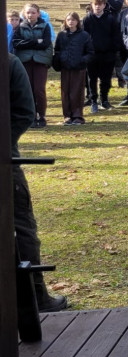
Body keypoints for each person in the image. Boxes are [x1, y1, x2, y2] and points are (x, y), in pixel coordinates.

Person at [9, 52, 67, 311]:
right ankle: (37, 298)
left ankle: (35, 296)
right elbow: (24, 112)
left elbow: (23, 112)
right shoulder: (9, 62)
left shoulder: (9, 63)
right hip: (6, 160)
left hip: (5, 161)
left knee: (21, 230)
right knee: (23, 228)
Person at [13, 3, 53, 127]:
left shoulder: (45, 26)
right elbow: (16, 43)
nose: (30, 15)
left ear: (38, 13)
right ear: (24, 14)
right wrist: (35, 41)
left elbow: (45, 43)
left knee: (39, 89)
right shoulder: (20, 26)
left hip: (40, 62)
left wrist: (27, 43)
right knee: (28, 89)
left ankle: (41, 115)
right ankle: (31, 116)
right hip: (25, 61)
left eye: (33, 12)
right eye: (28, 12)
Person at [52, 12, 94, 126]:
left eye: (73, 20)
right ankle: (67, 116)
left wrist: (82, 60)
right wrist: (60, 59)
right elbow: (57, 50)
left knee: (77, 92)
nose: (71, 22)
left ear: (77, 22)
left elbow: (90, 52)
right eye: (69, 19)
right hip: (65, 67)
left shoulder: (84, 35)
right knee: (65, 92)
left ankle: (77, 115)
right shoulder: (61, 35)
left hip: (79, 68)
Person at [83, 0, 120, 112]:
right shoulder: (87, 19)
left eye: (100, 4)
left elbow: (116, 36)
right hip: (92, 55)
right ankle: (93, 100)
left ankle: (104, 100)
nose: (98, 7)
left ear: (104, 5)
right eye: (95, 4)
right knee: (91, 79)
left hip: (108, 54)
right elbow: (84, 37)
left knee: (106, 79)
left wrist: (113, 49)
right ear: (92, 6)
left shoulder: (111, 19)